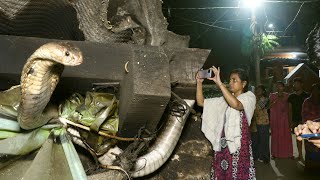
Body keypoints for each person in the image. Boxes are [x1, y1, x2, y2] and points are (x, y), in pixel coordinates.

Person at [196, 67, 256, 179]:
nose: (230, 83)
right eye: (229, 80)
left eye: (234, 80)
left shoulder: (249, 97)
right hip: (223, 143)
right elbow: (201, 102)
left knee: (238, 172)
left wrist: (220, 84)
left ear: (243, 84)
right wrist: (199, 83)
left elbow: (236, 105)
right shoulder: (225, 99)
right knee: (222, 172)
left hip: (239, 144)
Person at [295, 83, 320, 171]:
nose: (316, 92)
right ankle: (309, 167)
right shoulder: (307, 101)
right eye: (314, 90)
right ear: (311, 92)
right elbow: (305, 116)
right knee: (310, 149)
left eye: (318, 90)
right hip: (310, 129)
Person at [269, 81, 293, 159]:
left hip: (284, 119)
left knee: (286, 136)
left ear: (283, 87)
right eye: (277, 86)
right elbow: (268, 107)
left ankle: (289, 154)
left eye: (280, 86)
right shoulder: (272, 95)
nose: (279, 88)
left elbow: (289, 109)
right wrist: (274, 102)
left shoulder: (287, 96)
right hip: (275, 118)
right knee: (275, 135)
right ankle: (274, 154)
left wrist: (290, 120)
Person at [288, 77, 309, 160]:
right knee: (298, 138)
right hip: (296, 120)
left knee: (307, 139)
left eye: (297, 84)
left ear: (301, 85)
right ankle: (300, 155)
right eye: (294, 84)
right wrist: (290, 121)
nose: (295, 85)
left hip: (305, 120)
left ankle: (308, 156)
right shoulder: (291, 96)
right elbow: (289, 110)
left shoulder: (306, 95)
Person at [253, 85, 270, 164]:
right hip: (255, 122)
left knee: (264, 140)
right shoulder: (255, 98)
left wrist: (255, 98)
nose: (257, 91)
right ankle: (258, 156)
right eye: (257, 90)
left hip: (263, 122)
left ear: (263, 91)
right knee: (257, 141)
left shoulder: (264, 99)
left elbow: (261, 106)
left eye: (259, 90)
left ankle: (265, 157)